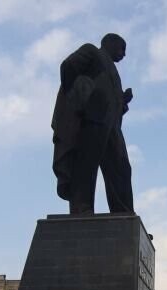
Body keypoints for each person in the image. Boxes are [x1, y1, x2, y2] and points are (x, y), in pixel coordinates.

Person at [51, 33, 134, 215]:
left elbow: (113, 102)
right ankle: (81, 207)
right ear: (110, 43)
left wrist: (123, 100)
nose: (124, 54)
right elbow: (68, 67)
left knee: (121, 167)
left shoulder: (114, 71)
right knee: (86, 163)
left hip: (112, 126)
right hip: (92, 119)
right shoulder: (92, 52)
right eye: (122, 48)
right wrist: (81, 96)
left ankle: (123, 211)